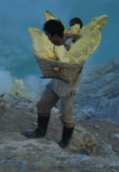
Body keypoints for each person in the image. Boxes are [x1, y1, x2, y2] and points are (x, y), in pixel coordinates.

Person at [22, 19, 82, 149]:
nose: (47, 38)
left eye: (48, 35)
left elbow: (79, 67)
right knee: (42, 105)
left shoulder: (72, 48)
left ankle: (65, 142)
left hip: (68, 86)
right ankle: (40, 131)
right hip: (56, 81)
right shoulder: (54, 46)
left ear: (55, 35)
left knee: (66, 116)